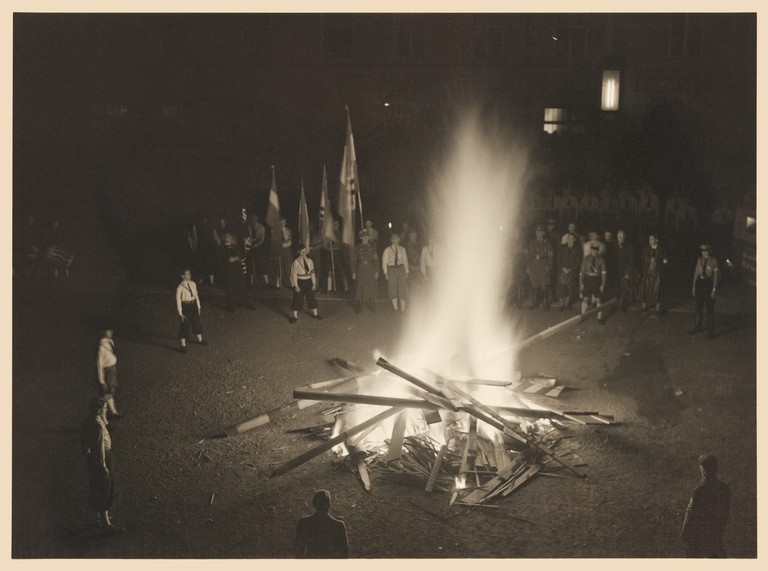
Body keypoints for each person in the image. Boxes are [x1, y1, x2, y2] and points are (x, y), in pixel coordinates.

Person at [81, 397, 123, 534]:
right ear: (99, 410)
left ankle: (99, 518)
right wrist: (103, 466)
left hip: (91, 458)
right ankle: (106, 523)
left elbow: (84, 442)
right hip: (102, 457)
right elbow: (100, 449)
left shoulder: (87, 421)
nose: (106, 410)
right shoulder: (97, 425)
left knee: (96, 487)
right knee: (106, 488)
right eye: (104, 408)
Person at [680, 455, 730, 558]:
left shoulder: (699, 491)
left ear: (703, 471)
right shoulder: (724, 489)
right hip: (716, 537)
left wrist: (684, 534)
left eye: (702, 470)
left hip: (698, 540)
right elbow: (725, 514)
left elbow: (690, 515)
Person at [294, 490, 349, 559]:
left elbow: (298, 550)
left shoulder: (305, 523)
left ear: (314, 504)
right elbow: (344, 554)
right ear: (329, 504)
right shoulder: (338, 526)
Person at [219, 230, 255, 312]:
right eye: (227, 238)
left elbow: (241, 254)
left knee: (242, 285)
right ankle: (230, 304)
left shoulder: (235, 247)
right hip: (228, 270)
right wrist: (232, 259)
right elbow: (225, 259)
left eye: (230, 238)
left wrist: (236, 258)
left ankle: (245, 302)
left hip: (237, 269)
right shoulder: (222, 248)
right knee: (230, 287)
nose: (229, 240)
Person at [689, 244, 719, 339]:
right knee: (699, 306)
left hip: (708, 284)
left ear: (709, 251)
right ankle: (697, 326)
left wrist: (714, 290)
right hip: (700, 284)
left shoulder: (714, 261)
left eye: (706, 251)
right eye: (702, 251)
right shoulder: (699, 260)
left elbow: (715, 278)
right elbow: (696, 273)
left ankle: (710, 331)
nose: (704, 253)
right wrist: (694, 286)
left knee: (709, 307)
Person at [176, 269, 208, 353]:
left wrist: (198, 307)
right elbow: (178, 301)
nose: (189, 275)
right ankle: (183, 345)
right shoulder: (180, 287)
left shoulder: (193, 284)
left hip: (193, 305)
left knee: (197, 322)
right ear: (182, 276)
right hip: (186, 306)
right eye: (187, 274)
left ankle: (200, 339)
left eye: (189, 273)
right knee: (185, 324)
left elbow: (196, 295)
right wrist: (180, 313)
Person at [289, 244, 320, 323]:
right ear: (298, 252)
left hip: (308, 281)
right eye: (302, 251)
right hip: (300, 281)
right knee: (297, 299)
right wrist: (295, 285)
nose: (303, 253)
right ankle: (294, 317)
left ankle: (315, 314)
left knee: (311, 297)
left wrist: (314, 283)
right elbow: (293, 274)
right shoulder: (296, 262)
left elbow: (312, 273)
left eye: (305, 251)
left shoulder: (310, 261)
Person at [525, 225, 554, 310]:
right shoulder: (532, 242)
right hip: (533, 266)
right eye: (537, 232)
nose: (538, 234)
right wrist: (528, 266)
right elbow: (528, 256)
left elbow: (551, 256)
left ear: (543, 233)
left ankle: (545, 303)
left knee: (544, 285)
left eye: (540, 232)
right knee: (534, 284)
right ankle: (535, 303)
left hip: (543, 265)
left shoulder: (547, 243)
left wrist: (549, 266)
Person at [351, 230, 379, 313]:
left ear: (369, 238)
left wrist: (377, 271)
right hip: (361, 270)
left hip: (370, 270)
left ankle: (372, 304)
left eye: (366, 237)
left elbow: (376, 260)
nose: (365, 239)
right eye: (363, 237)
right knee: (360, 287)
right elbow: (354, 261)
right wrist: (353, 272)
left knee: (371, 287)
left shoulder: (373, 248)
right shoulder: (357, 248)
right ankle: (359, 306)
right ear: (361, 238)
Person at [579, 244, 608, 324]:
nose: (594, 251)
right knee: (585, 298)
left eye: (596, 250)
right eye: (592, 250)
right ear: (590, 250)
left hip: (596, 280)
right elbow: (581, 272)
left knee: (599, 299)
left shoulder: (601, 260)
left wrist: (602, 285)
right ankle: (583, 316)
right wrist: (581, 283)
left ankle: (599, 318)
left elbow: (604, 273)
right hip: (588, 279)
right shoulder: (586, 259)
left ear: (598, 250)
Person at [639, 234, 668, 315]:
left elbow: (665, 260)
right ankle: (644, 307)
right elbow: (643, 261)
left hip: (657, 273)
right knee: (645, 289)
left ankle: (657, 309)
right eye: (649, 239)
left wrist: (664, 262)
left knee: (657, 290)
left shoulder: (661, 249)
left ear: (656, 240)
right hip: (647, 272)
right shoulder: (645, 249)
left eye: (652, 239)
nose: (650, 240)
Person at [96, 328, 121, 420]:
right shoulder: (101, 347)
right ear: (103, 332)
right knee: (105, 394)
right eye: (109, 331)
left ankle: (113, 412)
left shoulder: (110, 342)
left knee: (110, 391)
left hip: (112, 369)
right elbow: (99, 364)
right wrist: (101, 380)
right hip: (107, 371)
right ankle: (104, 417)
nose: (111, 332)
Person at [382, 233, 409, 312]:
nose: (395, 240)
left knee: (402, 287)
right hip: (391, 269)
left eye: (396, 238)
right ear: (391, 240)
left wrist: (406, 271)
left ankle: (403, 308)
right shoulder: (387, 249)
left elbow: (405, 261)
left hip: (401, 269)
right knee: (392, 287)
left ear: (399, 239)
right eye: (393, 239)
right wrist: (385, 273)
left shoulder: (402, 249)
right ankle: (395, 308)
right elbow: (384, 261)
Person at [556, 232, 582, 311]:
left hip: (572, 272)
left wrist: (571, 269)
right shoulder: (562, 248)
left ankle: (567, 304)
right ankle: (561, 304)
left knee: (570, 288)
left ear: (574, 240)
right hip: (562, 271)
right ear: (567, 239)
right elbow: (558, 259)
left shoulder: (578, 249)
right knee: (561, 288)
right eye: (569, 238)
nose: (570, 240)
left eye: (572, 239)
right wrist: (563, 268)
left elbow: (578, 261)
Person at [613, 230, 638, 312]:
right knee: (616, 288)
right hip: (616, 270)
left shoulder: (629, 247)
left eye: (622, 236)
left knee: (624, 288)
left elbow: (631, 260)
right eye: (619, 236)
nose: (620, 238)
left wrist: (628, 272)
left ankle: (623, 306)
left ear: (624, 237)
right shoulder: (614, 246)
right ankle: (615, 304)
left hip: (624, 271)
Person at [244, 213, 268, 287]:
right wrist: (250, 244)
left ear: (257, 219)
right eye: (252, 219)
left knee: (261, 264)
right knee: (250, 263)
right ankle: (251, 282)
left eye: (254, 219)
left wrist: (255, 245)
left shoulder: (261, 227)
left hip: (259, 247)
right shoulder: (250, 227)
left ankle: (266, 282)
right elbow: (249, 237)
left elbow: (261, 239)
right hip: (251, 247)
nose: (253, 220)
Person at [279, 217, 294, 288]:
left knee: (288, 268)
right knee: (280, 267)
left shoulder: (288, 231)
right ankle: (282, 284)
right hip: (279, 252)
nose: (282, 224)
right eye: (281, 222)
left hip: (287, 251)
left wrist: (281, 245)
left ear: (285, 223)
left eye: (283, 222)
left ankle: (293, 284)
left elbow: (289, 242)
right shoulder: (276, 231)